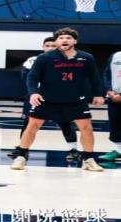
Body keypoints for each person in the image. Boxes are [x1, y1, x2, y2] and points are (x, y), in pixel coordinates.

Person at [10, 27, 105, 172]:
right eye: (61, 38)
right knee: (32, 126)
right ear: (57, 41)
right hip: (47, 99)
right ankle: (21, 157)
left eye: (68, 38)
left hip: (75, 99)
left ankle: (88, 160)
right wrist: (33, 93)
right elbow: (32, 77)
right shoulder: (44, 58)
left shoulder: (86, 57)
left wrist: (98, 94)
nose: (64, 40)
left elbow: (94, 77)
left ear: (75, 41)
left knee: (87, 128)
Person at [8, 36, 80, 161]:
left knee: (65, 122)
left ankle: (73, 150)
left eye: (53, 46)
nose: (50, 48)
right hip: (37, 96)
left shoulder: (68, 60)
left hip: (60, 97)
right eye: (47, 46)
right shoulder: (33, 60)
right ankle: (23, 149)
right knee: (28, 123)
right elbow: (27, 78)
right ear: (43, 47)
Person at [99, 50, 121, 162]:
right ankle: (117, 150)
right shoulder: (116, 55)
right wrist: (109, 91)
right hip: (114, 97)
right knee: (115, 124)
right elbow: (107, 74)